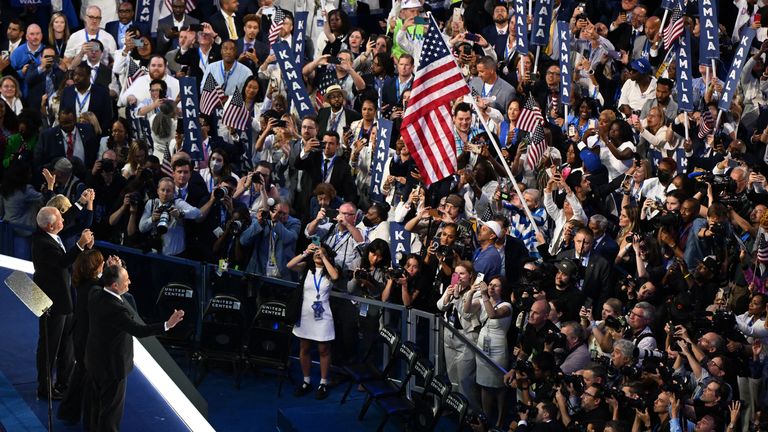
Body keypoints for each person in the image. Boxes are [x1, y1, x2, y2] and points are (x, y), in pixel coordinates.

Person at [85, 264, 184, 431]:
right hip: (113, 367)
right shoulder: (116, 309)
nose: (129, 282)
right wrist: (167, 324)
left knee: (95, 405)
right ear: (115, 285)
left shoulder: (94, 294)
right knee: (110, 411)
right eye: (126, 280)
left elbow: (98, 282)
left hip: (94, 360)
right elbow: (139, 330)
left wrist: (111, 269)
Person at [31, 206, 94, 400]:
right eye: (59, 218)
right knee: (49, 347)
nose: (63, 221)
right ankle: (45, 389)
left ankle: (64, 383)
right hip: (50, 302)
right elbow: (63, 261)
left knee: (67, 345)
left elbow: (66, 218)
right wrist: (80, 245)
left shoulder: (48, 233)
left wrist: (81, 203)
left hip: (63, 299)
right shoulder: (43, 243)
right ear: (50, 225)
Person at [286, 242, 339, 400]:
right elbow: (289, 265)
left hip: (323, 317)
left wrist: (324, 257)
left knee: (324, 350)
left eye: (322, 252)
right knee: (304, 348)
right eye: (316, 252)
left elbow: (336, 276)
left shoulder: (330, 271)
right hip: (305, 315)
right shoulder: (306, 268)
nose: (318, 254)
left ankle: (323, 382)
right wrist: (305, 252)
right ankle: (306, 381)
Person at [471, 276, 512, 428]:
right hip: (483, 346)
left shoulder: (507, 306)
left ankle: (500, 420)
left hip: (498, 349)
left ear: (503, 289)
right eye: (490, 285)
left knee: (499, 385)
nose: (491, 287)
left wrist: (484, 295)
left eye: (496, 286)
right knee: (484, 384)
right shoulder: (484, 301)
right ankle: (486, 421)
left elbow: (492, 314)